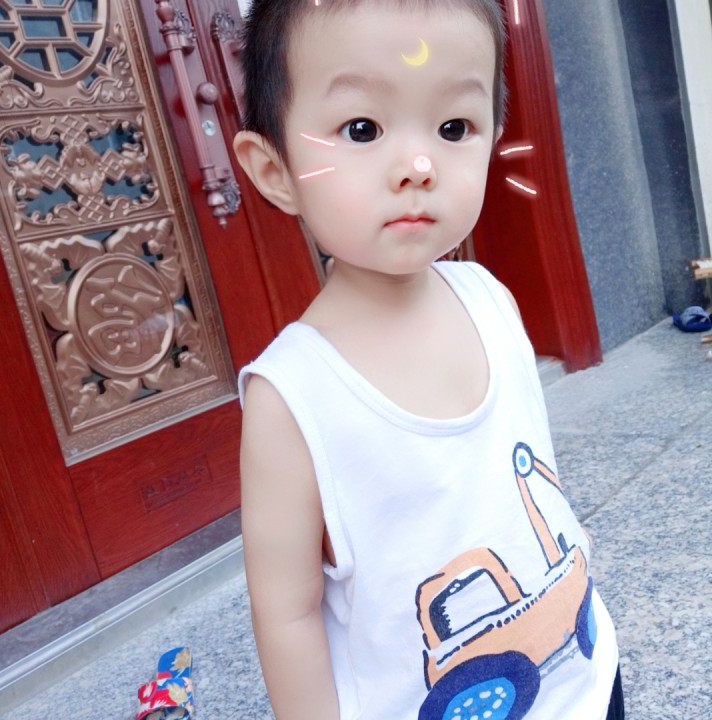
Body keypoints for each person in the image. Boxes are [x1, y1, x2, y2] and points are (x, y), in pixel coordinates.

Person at [232, 1, 624, 718]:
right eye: (362, 129)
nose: (418, 166)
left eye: (453, 129)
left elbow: (519, 465)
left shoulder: (491, 300)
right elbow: (287, 613)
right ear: (275, 168)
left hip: (588, 684)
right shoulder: (292, 397)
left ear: (492, 141)